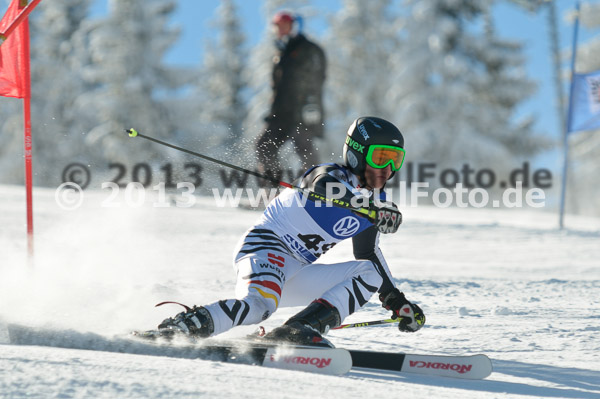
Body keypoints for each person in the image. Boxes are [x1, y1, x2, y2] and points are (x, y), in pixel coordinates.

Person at [159, 117, 425, 346]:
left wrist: (395, 300)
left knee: (369, 274)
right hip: (267, 248)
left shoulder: (375, 201)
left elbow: (367, 252)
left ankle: (300, 330)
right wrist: (370, 208)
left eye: (395, 160)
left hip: (295, 269)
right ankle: (186, 327)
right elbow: (322, 186)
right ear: (357, 152)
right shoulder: (330, 175)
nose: (387, 169)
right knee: (259, 307)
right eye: (380, 157)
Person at [256, 10, 326, 181]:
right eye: (277, 27)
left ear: (295, 27)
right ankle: (271, 193)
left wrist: (311, 104)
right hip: (281, 113)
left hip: (303, 112)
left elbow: (317, 78)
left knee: (304, 148)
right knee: (264, 146)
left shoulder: (309, 49)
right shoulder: (281, 53)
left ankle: (316, 189)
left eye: (284, 26)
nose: (280, 31)